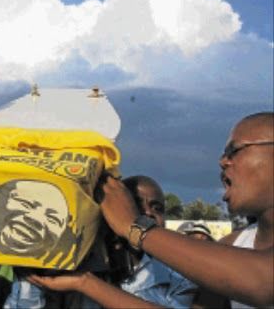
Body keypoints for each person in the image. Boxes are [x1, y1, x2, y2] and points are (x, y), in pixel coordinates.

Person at [94, 111, 273, 307]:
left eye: (235, 151)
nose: (223, 162)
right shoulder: (232, 246)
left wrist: (136, 227)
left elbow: (262, 282)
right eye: (224, 155)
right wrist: (84, 283)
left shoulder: (252, 268)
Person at [28, 175, 196, 309]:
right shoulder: (72, 268)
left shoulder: (179, 280)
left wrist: (86, 284)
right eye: (135, 204)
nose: (148, 213)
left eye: (157, 208)